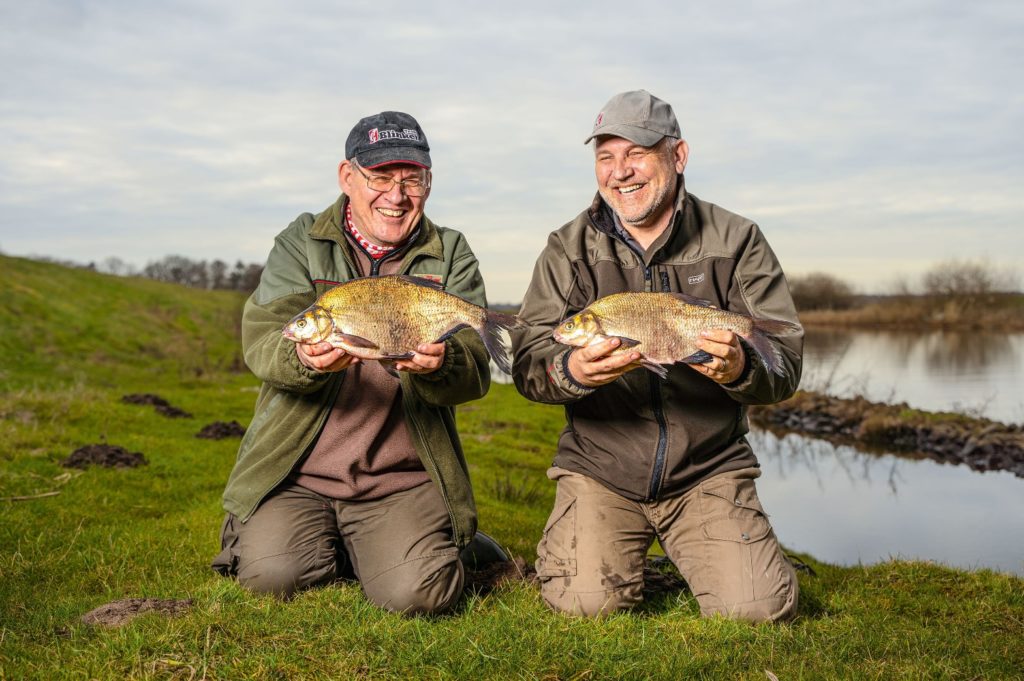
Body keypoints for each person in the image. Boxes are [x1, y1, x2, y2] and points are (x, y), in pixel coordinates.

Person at [511, 90, 803, 622]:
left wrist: (741, 370)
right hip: (602, 468)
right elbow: (529, 360)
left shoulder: (736, 239)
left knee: (757, 610)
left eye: (636, 152)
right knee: (584, 607)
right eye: (605, 157)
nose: (620, 171)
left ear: (678, 156)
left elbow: (785, 364)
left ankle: (717, 550)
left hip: (707, 468)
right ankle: (623, 555)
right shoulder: (567, 248)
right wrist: (572, 370)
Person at [213, 110, 505, 614]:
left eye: (411, 180)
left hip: (401, 479)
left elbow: (478, 368)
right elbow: (264, 338)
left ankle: (429, 543)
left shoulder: (451, 251)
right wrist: (303, 357)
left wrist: (442, 364)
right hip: (298, 476)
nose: (396, 196)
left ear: (428, 184)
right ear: (348, 177)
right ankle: (354, 546)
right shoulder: (302, 241)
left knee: (417, 596)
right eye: (380, 178)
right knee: (271, 576)